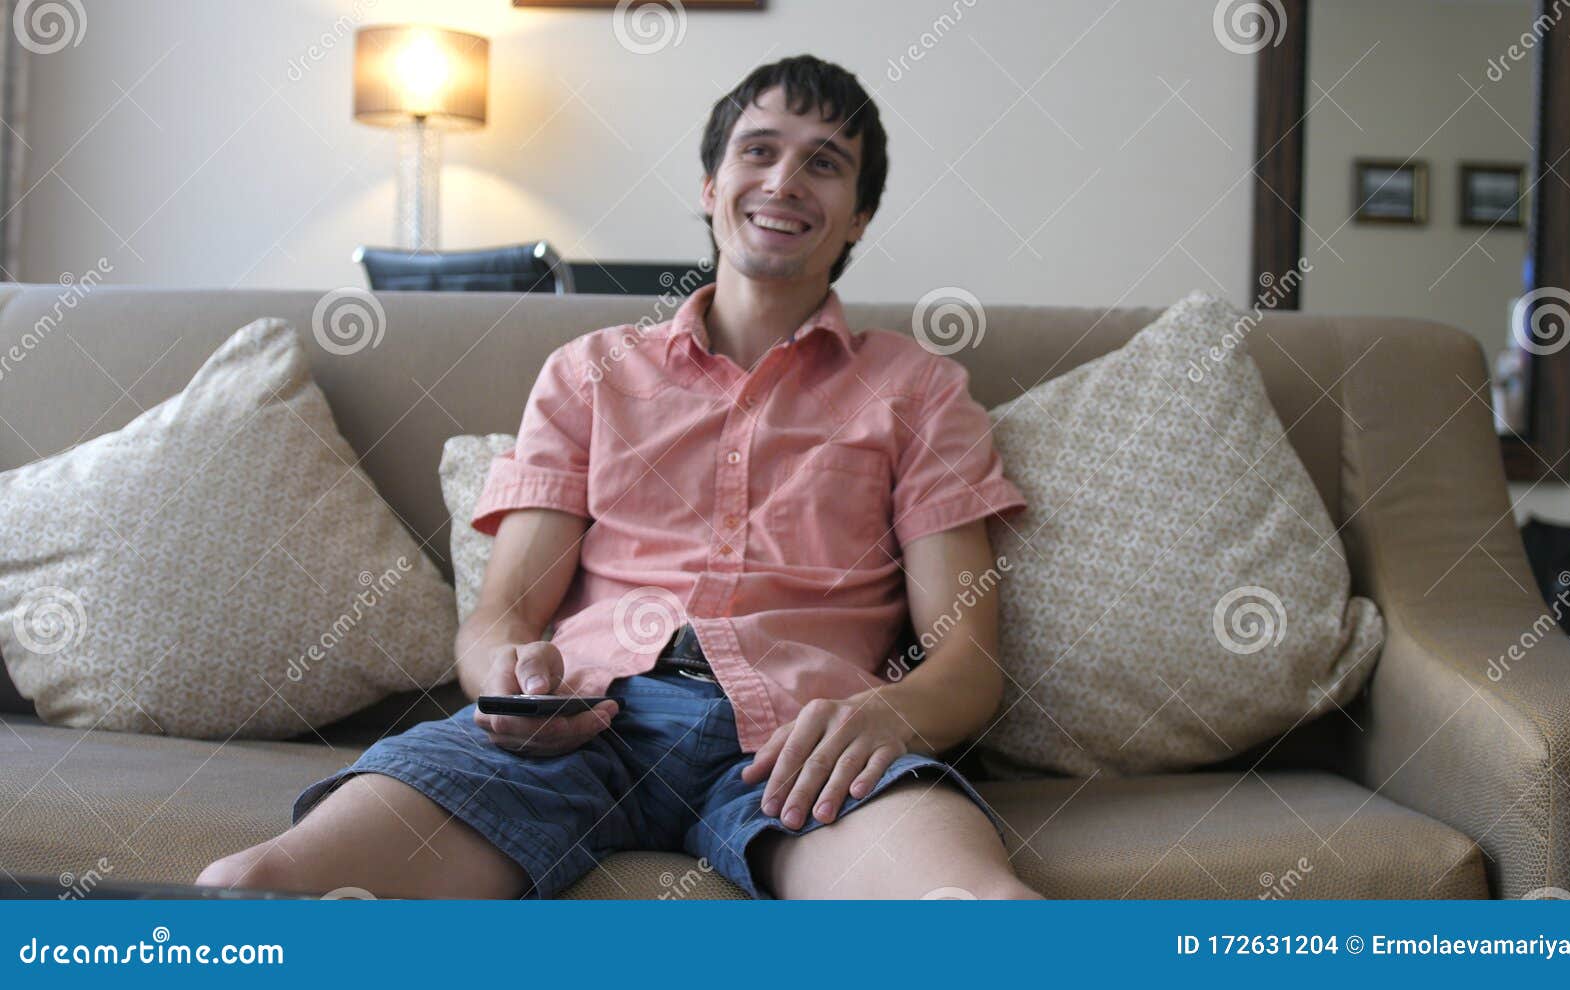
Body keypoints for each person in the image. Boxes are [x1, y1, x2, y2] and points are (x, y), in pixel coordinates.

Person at [197, 54, 1039, 900]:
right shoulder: (588, 372)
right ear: (711, 185)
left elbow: (966, 664)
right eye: (758, 151)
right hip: (583, 724)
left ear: (857, 218)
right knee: (253, 889)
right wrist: (509, 687)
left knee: (979, 918)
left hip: (803, 746)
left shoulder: (919, 389)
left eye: (823, 162)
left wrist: (888, 714)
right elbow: (502, 616)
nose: (784, 181)